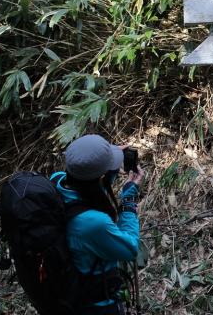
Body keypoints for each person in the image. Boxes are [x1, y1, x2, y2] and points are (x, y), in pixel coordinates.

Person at [50, 134, 144, 315]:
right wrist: (129, 201)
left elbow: (87, 179)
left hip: (67, 297)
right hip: (96, 306)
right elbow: (130, 248)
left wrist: (106, 155)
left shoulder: (57, 181)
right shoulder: (93, 223)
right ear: (102, 177)